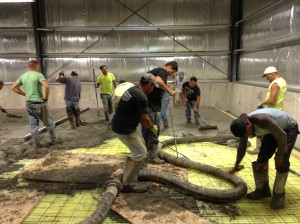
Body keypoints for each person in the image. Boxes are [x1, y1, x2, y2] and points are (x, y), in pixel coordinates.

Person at [229, 108, 299, 209]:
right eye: (245, 135)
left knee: (281, 161)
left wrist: (279, 154)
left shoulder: (262, 121)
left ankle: (279, 195)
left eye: (247, 133)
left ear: (248, 124)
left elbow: (282, 135)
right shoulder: (242, 127)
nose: (247, 135)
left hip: (288, 129)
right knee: (262, 158)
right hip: (273, 129)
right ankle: (263, 190)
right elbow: (242, 147)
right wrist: (236, 165)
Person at [111, 73, 159, 193]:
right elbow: (144, 119)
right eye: (153, 87)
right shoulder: (141, 97)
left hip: (125, 125)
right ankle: (129, 184)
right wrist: (152, 127)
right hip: (124, 129)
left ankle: (141, 172)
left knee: (142, 144)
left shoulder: (133, 89)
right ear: (148, 84)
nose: (153, 89)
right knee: (140, 153)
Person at [11, 60, 57, 148]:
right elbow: (47, 86)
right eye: (38, 66)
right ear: (36, 66)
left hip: (29, 103)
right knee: (49, 123)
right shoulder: (38, 75)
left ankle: (37, 144)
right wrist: (46, 97)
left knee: (33, 125)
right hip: (39, 103)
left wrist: (25, 94)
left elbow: (14, 88)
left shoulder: (23, 76)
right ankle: (53, 140)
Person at [142, 61, 178, 164]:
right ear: (170, 68)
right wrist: (169, 91)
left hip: (145, 103)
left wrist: (166, 87)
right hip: (152, 105)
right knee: (154, 130)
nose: (171, 74)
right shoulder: (162, 71)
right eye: (172, 72)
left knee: (146, 129)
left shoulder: (154, 71)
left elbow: (157, 82)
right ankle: (153, 157)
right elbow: (158, 81)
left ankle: (145, 152)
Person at [248, 66, 287, 155]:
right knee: (270, 133)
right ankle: (265, 149)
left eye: (267, 76)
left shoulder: (275, 84)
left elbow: (271, 100)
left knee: (259, 128)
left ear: (272, 74)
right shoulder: (282, 81)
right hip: (278, 110)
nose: (266, 78)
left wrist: (261, 104)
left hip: (271, 111)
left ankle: (259, 149)